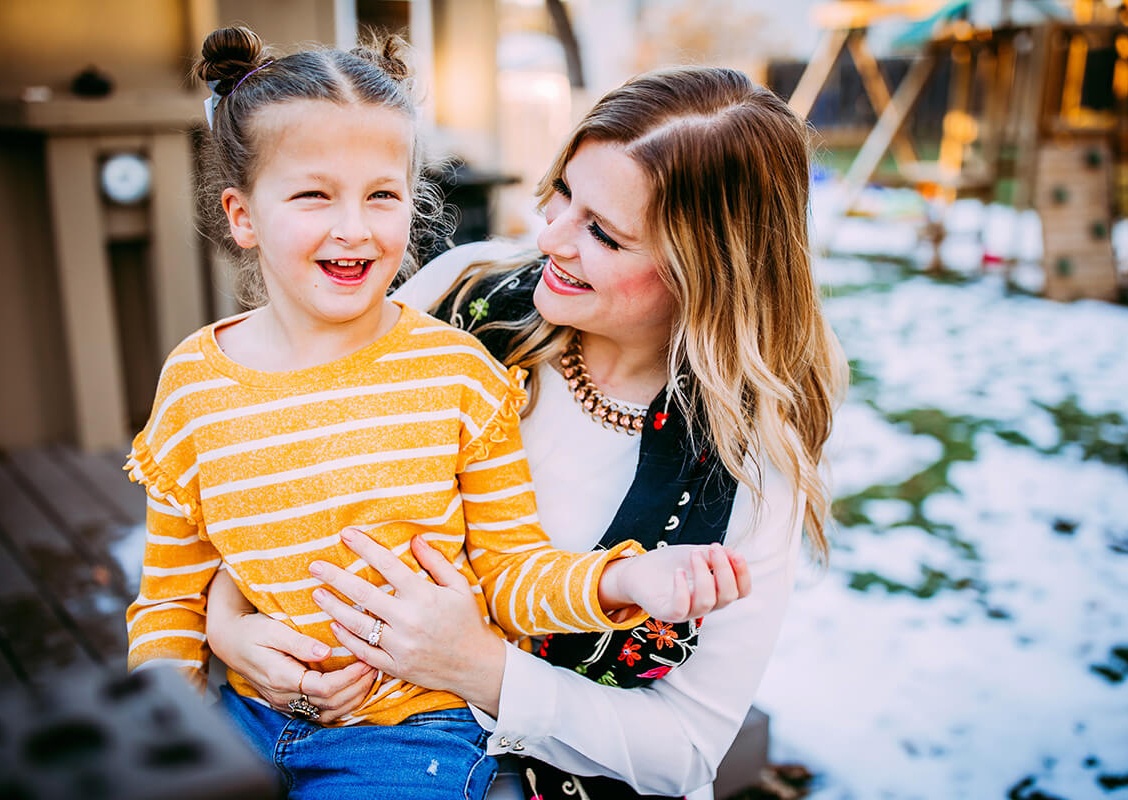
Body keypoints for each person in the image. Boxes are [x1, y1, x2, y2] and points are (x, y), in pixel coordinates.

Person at [125, 27, 751, 800]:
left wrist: (627, 579)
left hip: (408, 737)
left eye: (382, 194)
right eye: (314, 193)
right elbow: (169, 594)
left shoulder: (456, 375)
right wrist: (169, 710)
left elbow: (511, 573)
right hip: (244, 710)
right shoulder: (194, 384)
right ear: (243, 215)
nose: (354, 227)